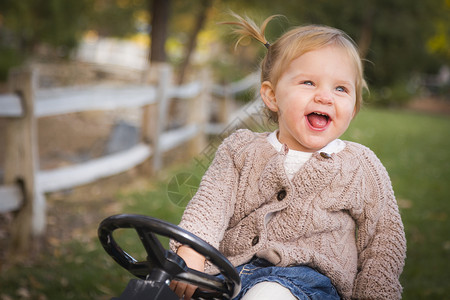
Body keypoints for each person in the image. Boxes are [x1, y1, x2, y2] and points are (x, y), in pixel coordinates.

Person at [170, 13, 406, 300]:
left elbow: (384, 237)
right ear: (271, 96)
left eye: (341, 88)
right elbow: (209, 206)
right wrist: (192, 250)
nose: (325, 97)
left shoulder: (360, 165)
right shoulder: (240, 149)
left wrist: (376, 293)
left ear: (353, 107)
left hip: (307, 279)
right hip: (228, 270)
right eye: (308, 82)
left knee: (268, 296)